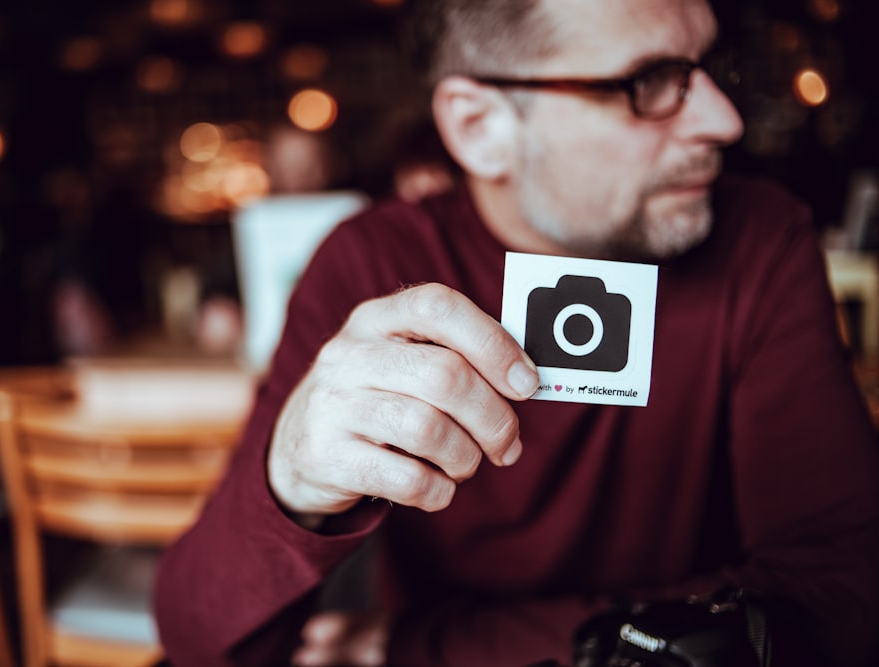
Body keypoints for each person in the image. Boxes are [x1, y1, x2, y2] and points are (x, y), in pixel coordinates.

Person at [154, 0, 879, 665]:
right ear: (481, 127)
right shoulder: (373, 265)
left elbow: (843, 597)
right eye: (651, 81)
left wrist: (430, 647)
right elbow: (198, 638)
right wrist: (292, 480)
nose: (725, 121)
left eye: (705, 66)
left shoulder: (759, 238)